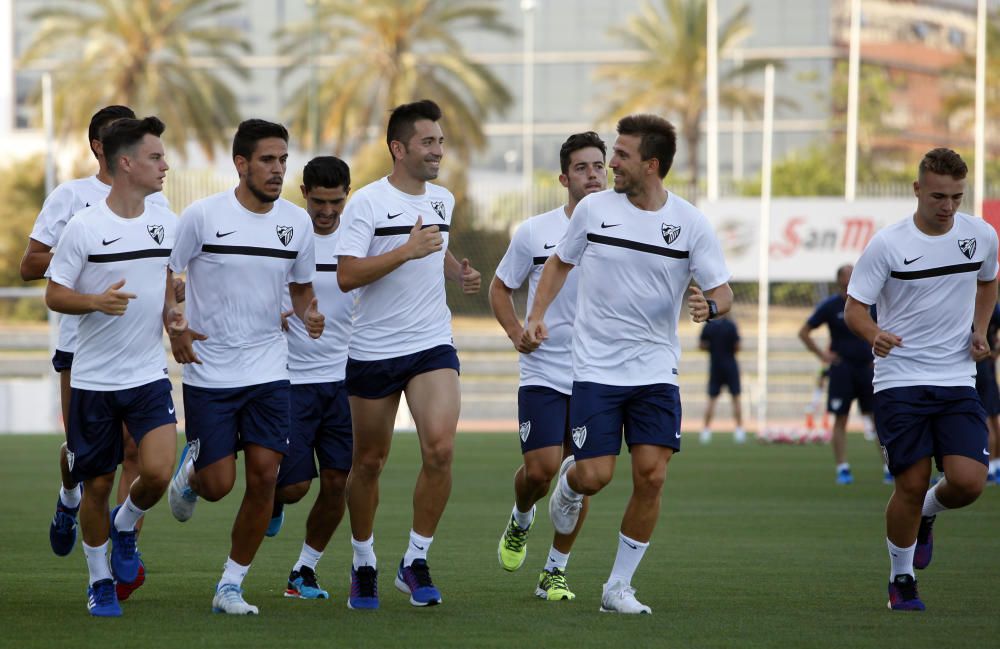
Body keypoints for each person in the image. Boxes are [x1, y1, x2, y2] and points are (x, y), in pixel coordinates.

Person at [523, 114, 733, 614]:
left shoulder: (690, 222)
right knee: (595, 476)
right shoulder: (594, 210)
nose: (609, 164)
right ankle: (571, 482)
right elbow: (559, 264)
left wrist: (712, 306)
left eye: (621, 156)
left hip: (657, 371)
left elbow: (723, 288)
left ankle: (617, 587)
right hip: (596, 369)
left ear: (652, 165)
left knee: (652, 477)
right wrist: (535, 316)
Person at [165, 119, 324, 616]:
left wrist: (309, 312)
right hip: (210, 371)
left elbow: (300, 288)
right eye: (267, 161)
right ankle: (191, 472)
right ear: (241, 164)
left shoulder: (296, 223)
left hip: (270, 371)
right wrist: (177, 328)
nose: (278, 170)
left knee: (265, 476)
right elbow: (170, 274)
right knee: (218, 486)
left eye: (283, 160)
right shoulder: (202, 216)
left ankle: (230, 585)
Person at [335, 99, 481, 609]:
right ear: (399, 148)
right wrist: (405, 251)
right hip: (374, 349)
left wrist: (457, 269)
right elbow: (347, 273)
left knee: (440, 449)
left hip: (431, 344)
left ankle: (415, 559)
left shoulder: (442, 198)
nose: (438, 150)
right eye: (428, 142)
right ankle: (363, 561)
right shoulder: (368, 204)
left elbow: (433, 249)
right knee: (369, 463)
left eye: (440, 141)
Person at [20, 107, 171, 594]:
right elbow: (30, 267)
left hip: (142, 359)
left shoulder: (159, 211)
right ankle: (69, 497)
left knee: (137, 455)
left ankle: (122, 549)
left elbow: (172, 274)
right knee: (85, 464)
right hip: (81, 350)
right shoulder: (72, 201)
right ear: (101, 149)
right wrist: (85, 267)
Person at [844, 148, 998, 612]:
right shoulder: (888, 244)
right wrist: (875, 334)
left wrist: (980, 327)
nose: (947, 206)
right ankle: (902, 578)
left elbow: (989, 280)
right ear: (917, 190)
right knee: (909, 483)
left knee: (969, 482)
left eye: (956, 196)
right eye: (937, 196)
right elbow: (854, 309)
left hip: (956, 378)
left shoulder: (981, 234)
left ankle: (930, 513)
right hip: (900, 380)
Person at [489, 131, 607, 601]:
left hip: (600, 373)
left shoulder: (628, 229)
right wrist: (518, 330)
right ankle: (521, 518)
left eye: (599, 165)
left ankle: (554, 571)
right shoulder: (535, 232)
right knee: (541, 471)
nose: (593, 174)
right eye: (582, 167)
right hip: (544, 369)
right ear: (564, 177)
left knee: (582, 479)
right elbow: (500, 287)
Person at [265, 156, 355, 601]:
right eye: (318, 201)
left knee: (340, 481)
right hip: (289, 378)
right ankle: (275, 498)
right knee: (296, 487)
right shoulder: (284, 233)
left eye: (336, 201)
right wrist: (277, 311)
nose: (327, 211)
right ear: (304, 194)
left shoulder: (358, 240)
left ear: (347, 195)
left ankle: (303, 572)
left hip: (343, 380)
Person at [799, 265, 880, 484]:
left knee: (878, 418)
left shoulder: (871, 303)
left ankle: (890, 467)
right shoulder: (830, 306)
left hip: (867, 369)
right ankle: (842, 468)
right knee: (840, 418)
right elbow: (804, 332)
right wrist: (822, 356)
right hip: (842, 369)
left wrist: (879, 357)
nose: (853, 277)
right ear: (840, 280)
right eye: (848, 274)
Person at [698, 314, 745, 444]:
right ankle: (739, 431)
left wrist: (713, 347)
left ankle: (706, 432)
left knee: (711, 399)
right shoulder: (731, 325)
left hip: (716, 366)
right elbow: (737, 347)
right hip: (731, 366)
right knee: (736, 399)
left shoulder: (709, 325)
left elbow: (701, 345)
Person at [974, 302, 1000, 485]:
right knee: (992, 416)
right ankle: (996, 466)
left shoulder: (969, 301)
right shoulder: (993, 306)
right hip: (986, 365)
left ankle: (990, 467)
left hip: (975, 365)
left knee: (984, 419)